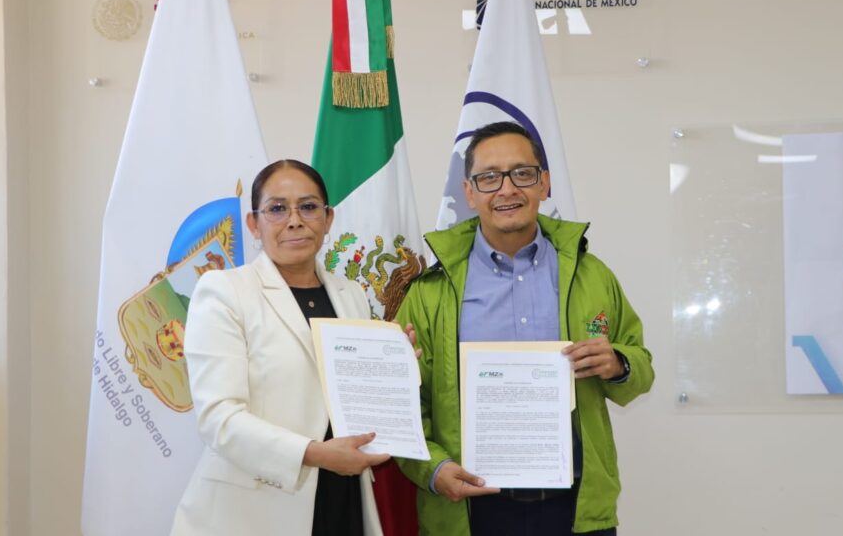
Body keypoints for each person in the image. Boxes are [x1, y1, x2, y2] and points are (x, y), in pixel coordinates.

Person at [395, 122, 654, 535]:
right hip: (470, 510)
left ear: (544, 183)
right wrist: (434, 469)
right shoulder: (431, 290)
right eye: (489, 177)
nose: (507, 189)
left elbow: (640, 369)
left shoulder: (591, 275)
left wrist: (619, 364)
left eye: (522, 173)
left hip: (575, 510)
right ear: (469, 192)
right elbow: (403, 402)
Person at [170, 160, 392, 536]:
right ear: (253, 224)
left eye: (308, 207)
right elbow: (219, 419)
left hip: (341, 496)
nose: (294, 221)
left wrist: (392, 368)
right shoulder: (225, 291)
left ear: (328, 218)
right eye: (277, 208)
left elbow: (348, 395)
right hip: (253, 510)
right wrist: (314, 454)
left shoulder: (350, 294)